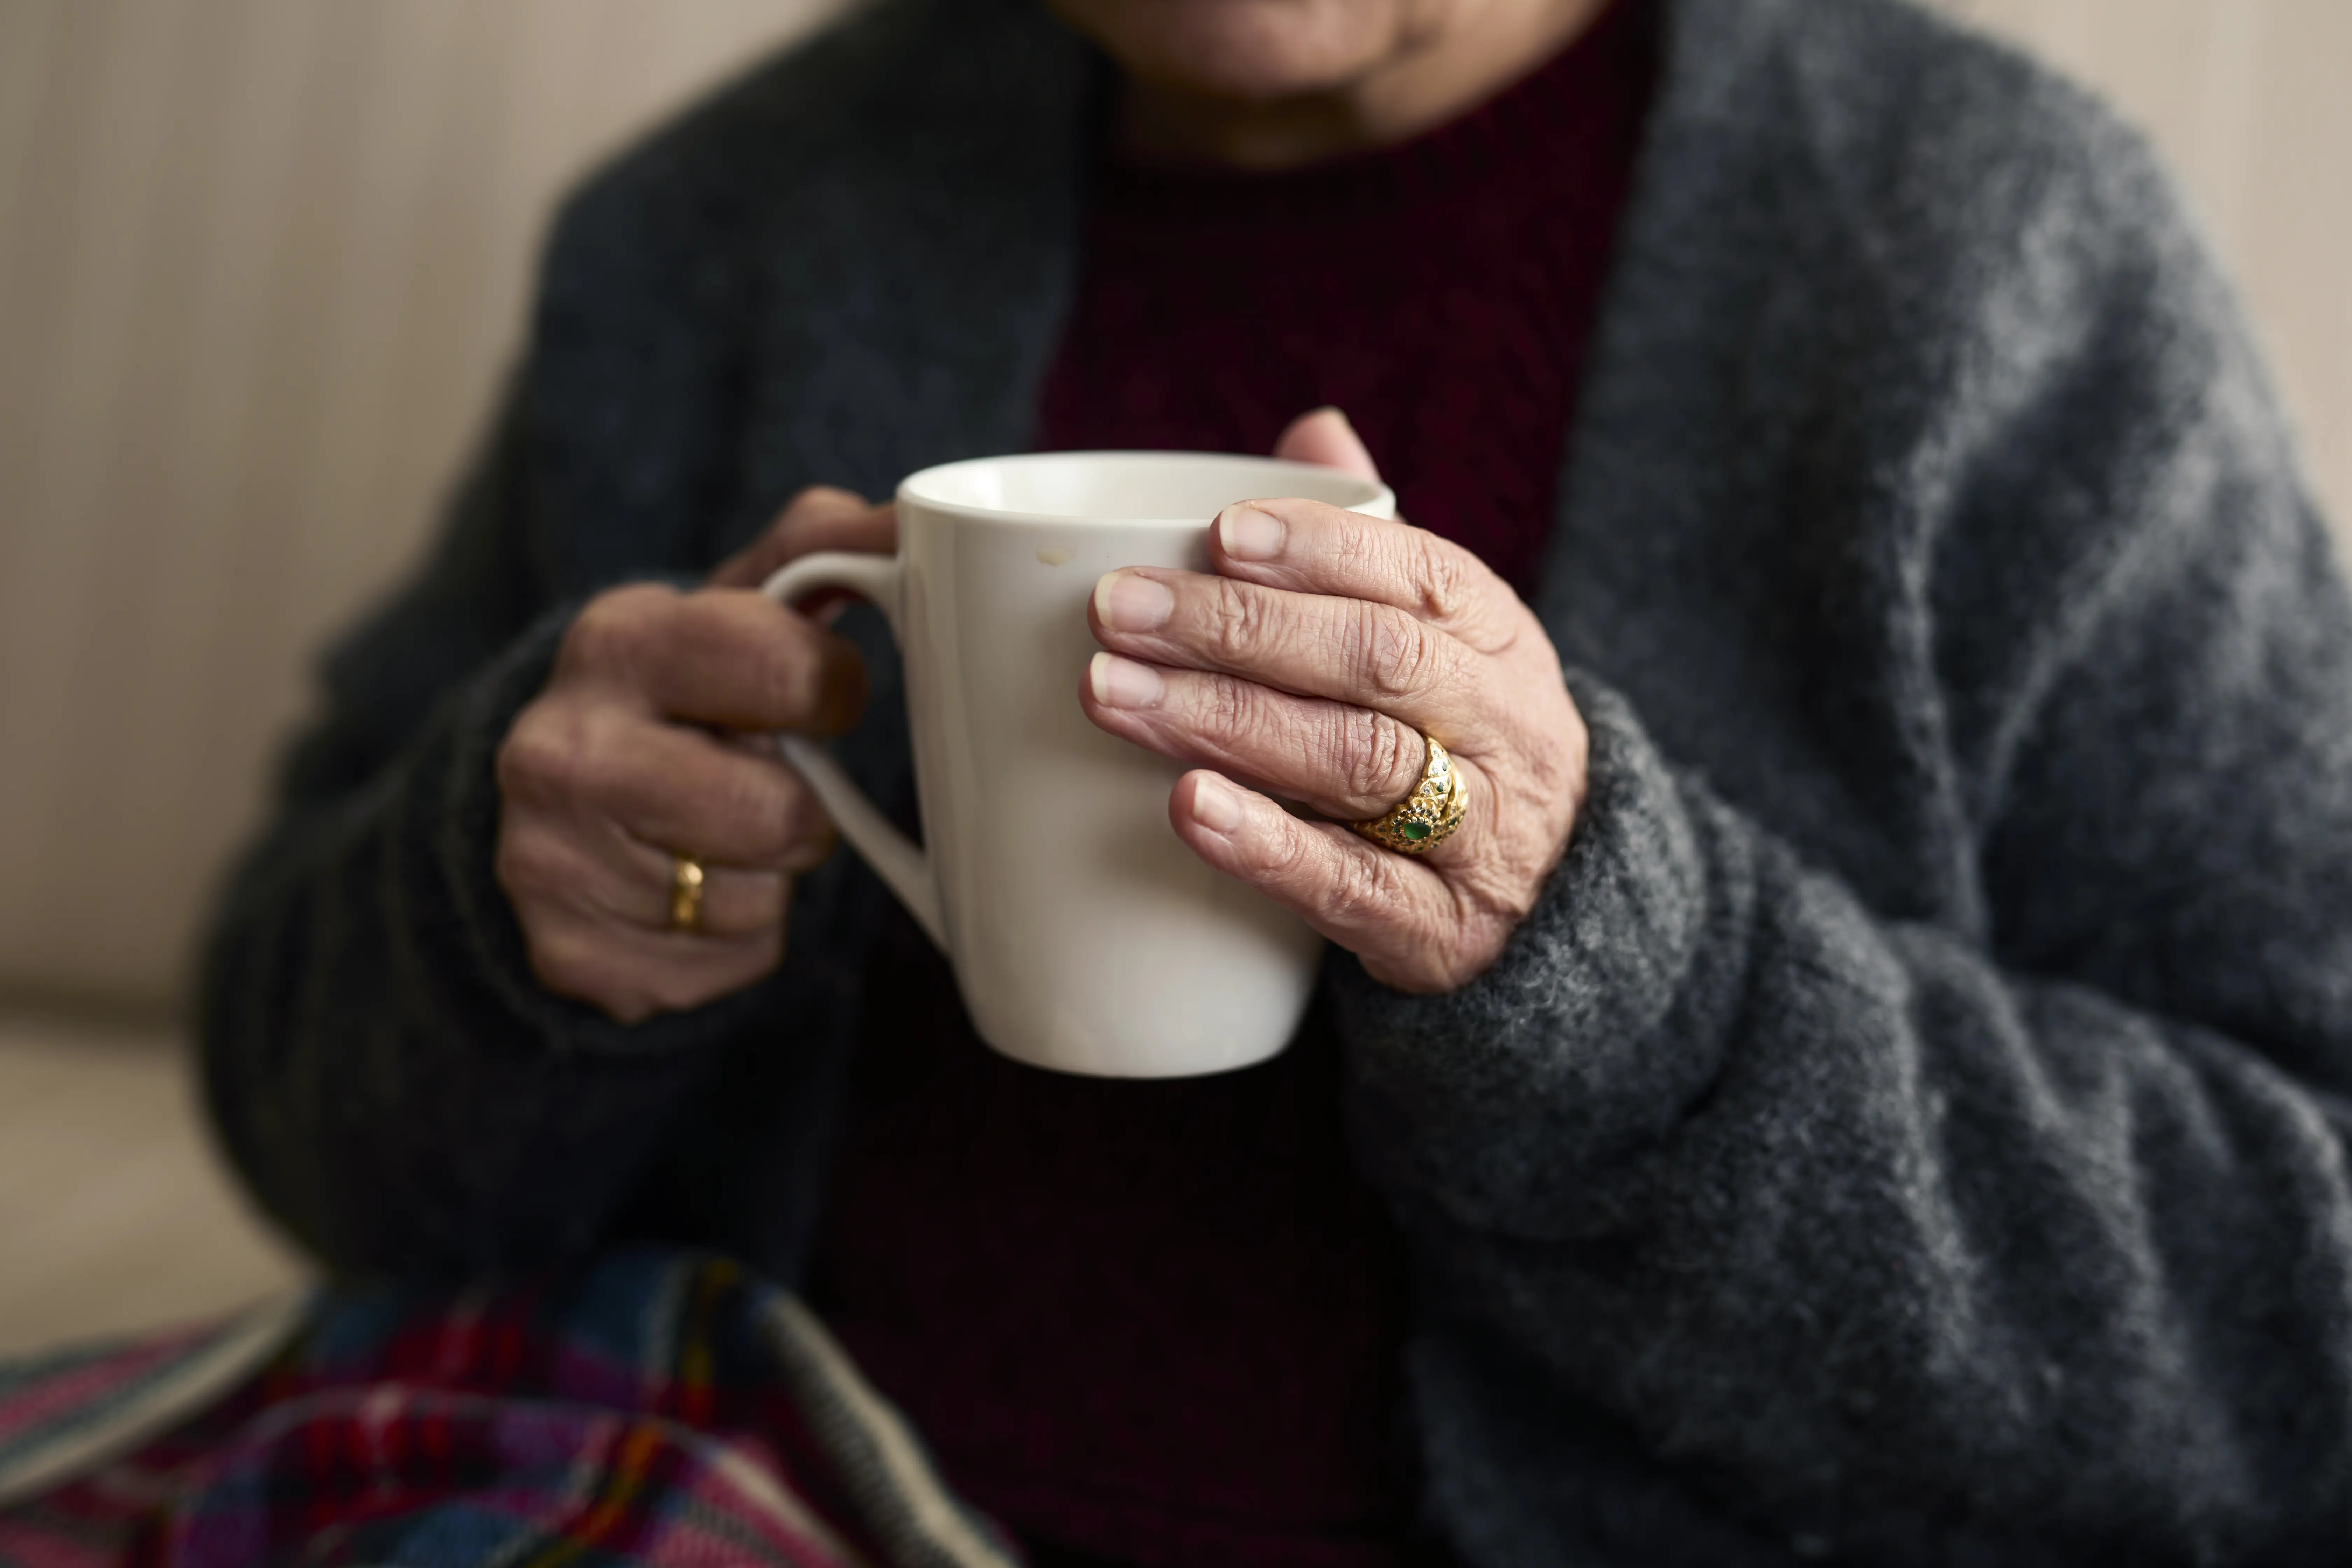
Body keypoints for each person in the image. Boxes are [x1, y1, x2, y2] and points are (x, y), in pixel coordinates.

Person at [197, 0, 2352, 1559]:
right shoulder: (718, 234)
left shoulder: (1992, 262)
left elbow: (2299, 1329)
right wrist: (509, 933)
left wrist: (1632, 980)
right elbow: (310, 1107)